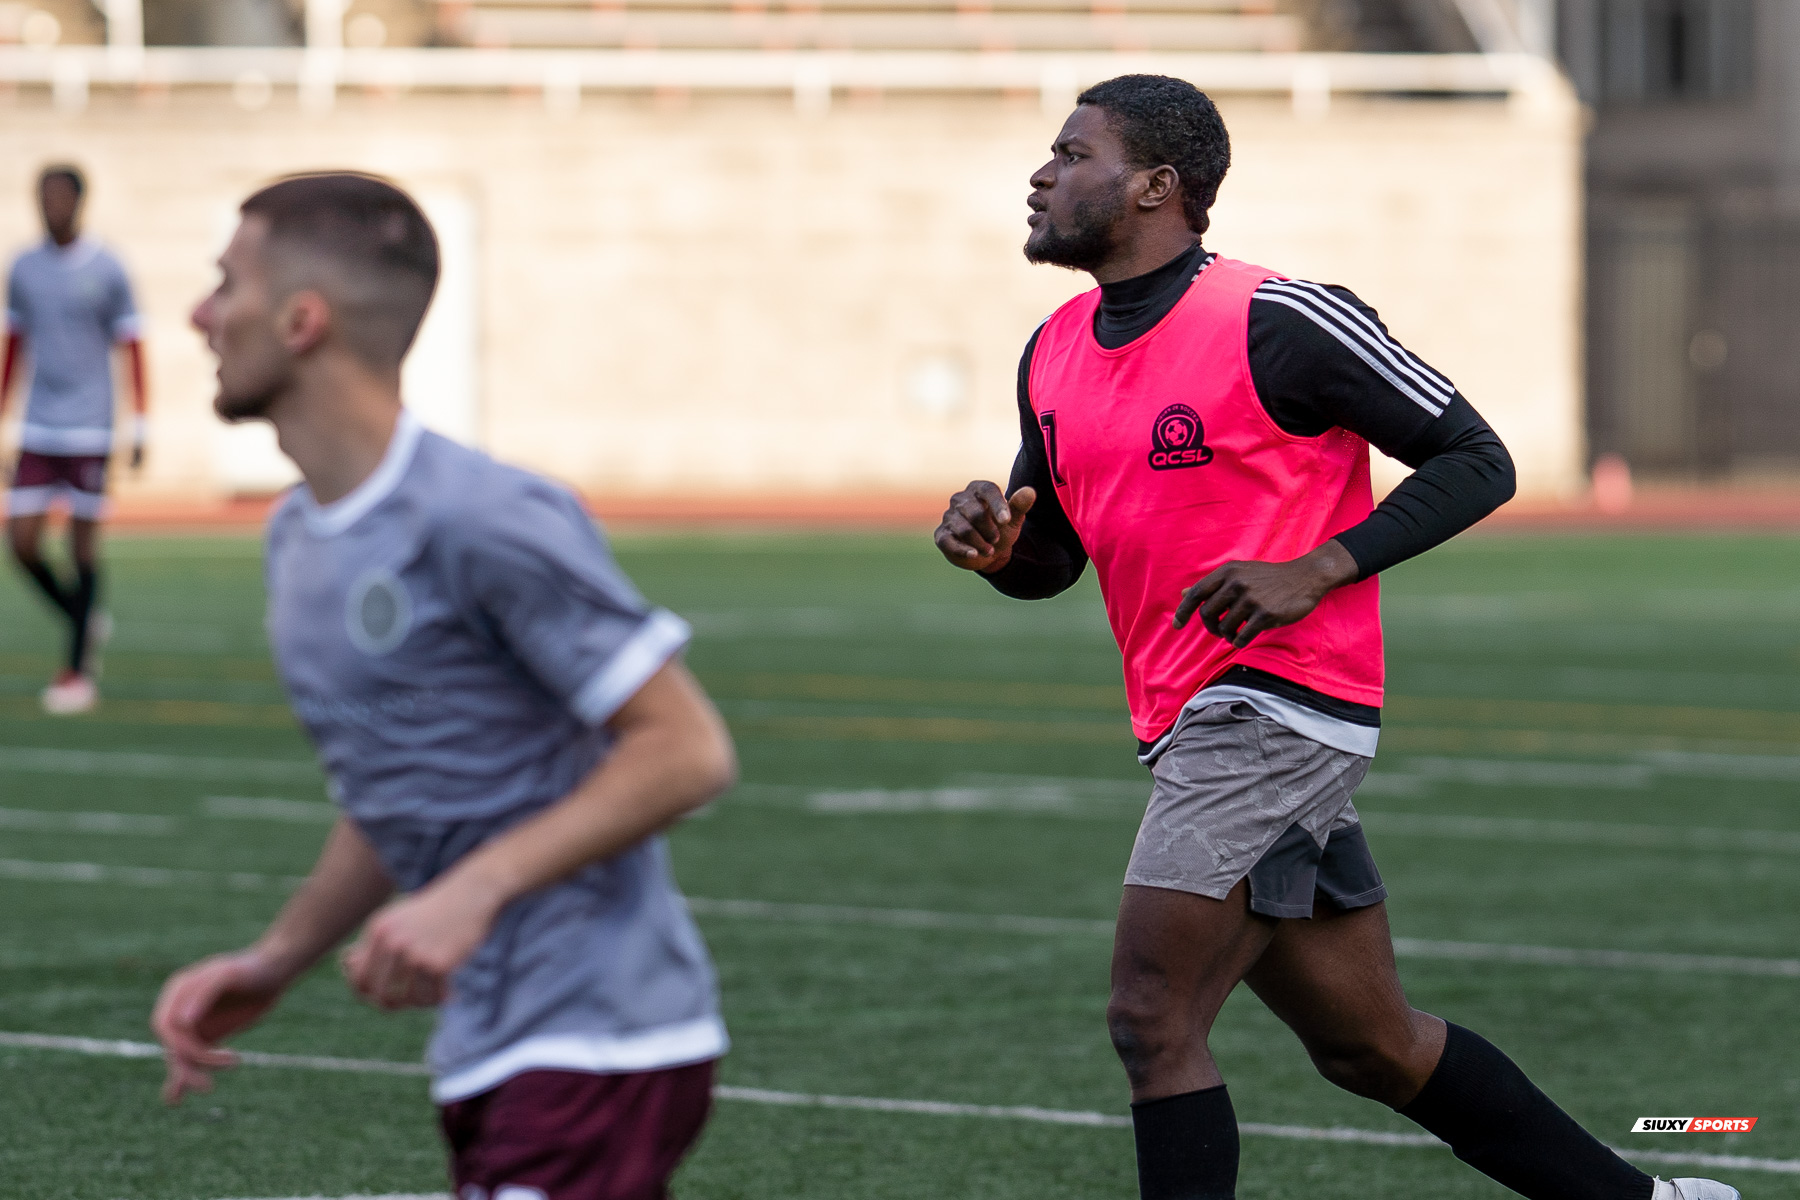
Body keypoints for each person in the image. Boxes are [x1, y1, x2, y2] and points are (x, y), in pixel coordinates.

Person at [933, 76, 1737, 1200]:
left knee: (1151, 1017)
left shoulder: (1281, 317)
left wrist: (1317, 568)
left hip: (1274, 706)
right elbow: (1050, 560)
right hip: (1190, 719)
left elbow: (1477, 458)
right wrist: (993, 550)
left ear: (1158, 186)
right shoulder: (1053, 351)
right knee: (1373, 1046)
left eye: (1072, 154)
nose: (1042, 173)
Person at [151, 173, 734, 1200]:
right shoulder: (296, 539)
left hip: (600, 1040)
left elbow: (685, 749)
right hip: (488, 1044)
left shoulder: (483, 516)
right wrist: (277, 959)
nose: (200, 314)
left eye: (225, 283)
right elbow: (409, 786)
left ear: (301, 321)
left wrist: (472, 889)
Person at [2, 164, 147, 715]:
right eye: (43, 196)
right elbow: (14, 341)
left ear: (80, 202)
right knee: (21, 543)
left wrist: (142, 423)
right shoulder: (23, 267)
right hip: (39, 423)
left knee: (83, 545)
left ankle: (76, 673)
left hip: (91, 424)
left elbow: (132, 343)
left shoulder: (108, 268)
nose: (50, 206)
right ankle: (81, 619)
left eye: (60, 197)